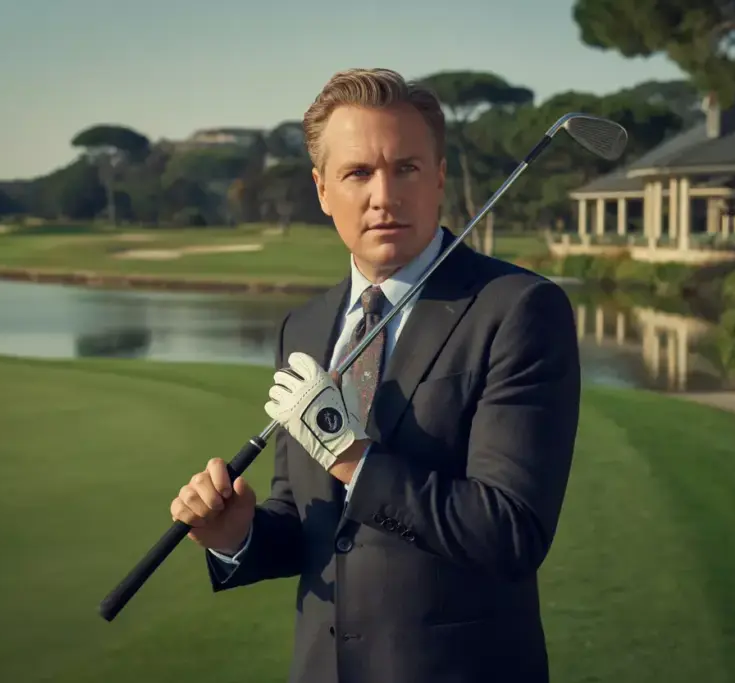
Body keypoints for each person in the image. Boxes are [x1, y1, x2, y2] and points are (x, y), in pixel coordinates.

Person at [169, 68, 581, 683]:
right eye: (358, 172)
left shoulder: (518, 309)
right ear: (322, 189)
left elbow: (509, 532)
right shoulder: (303, 329)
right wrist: (239, 534)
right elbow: (311, 519)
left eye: (406, 168)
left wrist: (352, 455)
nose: (383, 195)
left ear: (438, 177)